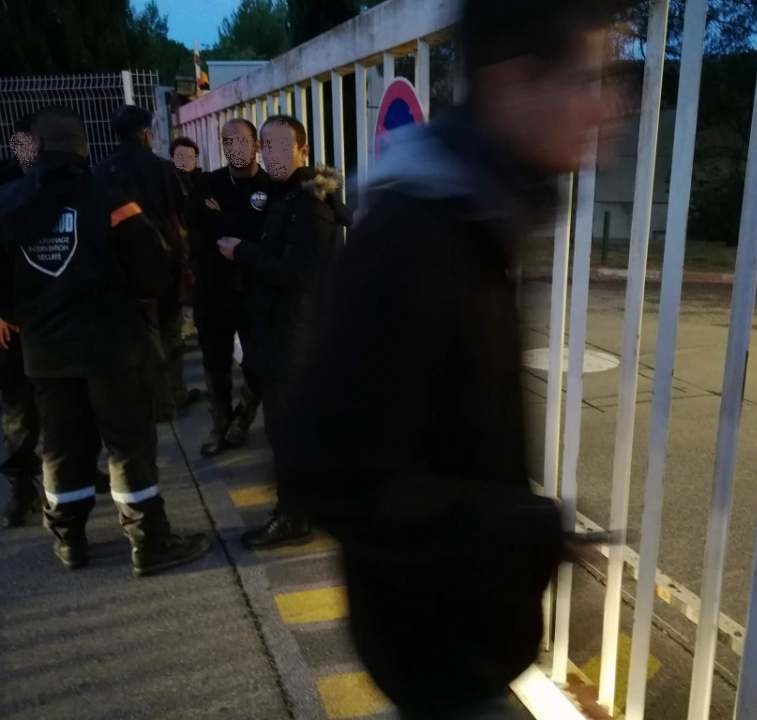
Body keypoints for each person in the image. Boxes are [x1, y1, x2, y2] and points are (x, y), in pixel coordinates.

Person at [284, 0, 619, 716]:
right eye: (588, 80)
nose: (606, 108)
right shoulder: (417, 237)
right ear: (514, 82)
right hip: (435, 652)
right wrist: (522, 531)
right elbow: (325, 465)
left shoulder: (475, 214)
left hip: (452, 639)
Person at [0, 105, 210, 574]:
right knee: (128, 444)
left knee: (61, 447)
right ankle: (148, 542)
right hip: (113, 349)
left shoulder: (7, 203)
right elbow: (153, 272)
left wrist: (23, 314)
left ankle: (69, 541)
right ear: (83, 147)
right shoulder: (110, 200)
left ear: (36, 148)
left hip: (46, 354)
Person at [216, 114, 348, 550]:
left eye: (280, 146)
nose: (271, 155)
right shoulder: (286, 195)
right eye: (265, 146)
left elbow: (299, 274)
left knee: (286, 430)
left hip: (296, 335)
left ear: (302, 151)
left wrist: (242, 252)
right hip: (283, 330)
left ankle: (293, 518)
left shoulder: (308, 203)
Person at [95, 105, 202, 422]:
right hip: (163, 263)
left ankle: (151, 400)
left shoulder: (101, 172)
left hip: (122, 267)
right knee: (170, 333)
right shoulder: (163, 169)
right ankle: (174, 396)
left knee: (138, 337)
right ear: (146, 133)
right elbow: (182, 216)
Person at [190, 118, 270, 457]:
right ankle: (219, 425)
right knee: (215, 362)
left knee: (259, 361)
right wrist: (238, 229)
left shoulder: (271, 186)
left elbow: (266, 237)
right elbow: (200, 230)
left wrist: (223, 220)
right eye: (228, 141)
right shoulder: (207, 184)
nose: (234, 147)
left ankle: (244, 415)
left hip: (255, 290)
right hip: (214, 289)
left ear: (256, 145)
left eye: (241, 140)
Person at [0, 113, 42, 528]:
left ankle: (77, 473)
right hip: (12, 320)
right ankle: (23, 489)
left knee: (65, 404)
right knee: (17, 409)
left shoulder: (63, 183)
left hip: (51, 314)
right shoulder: (7, 185)